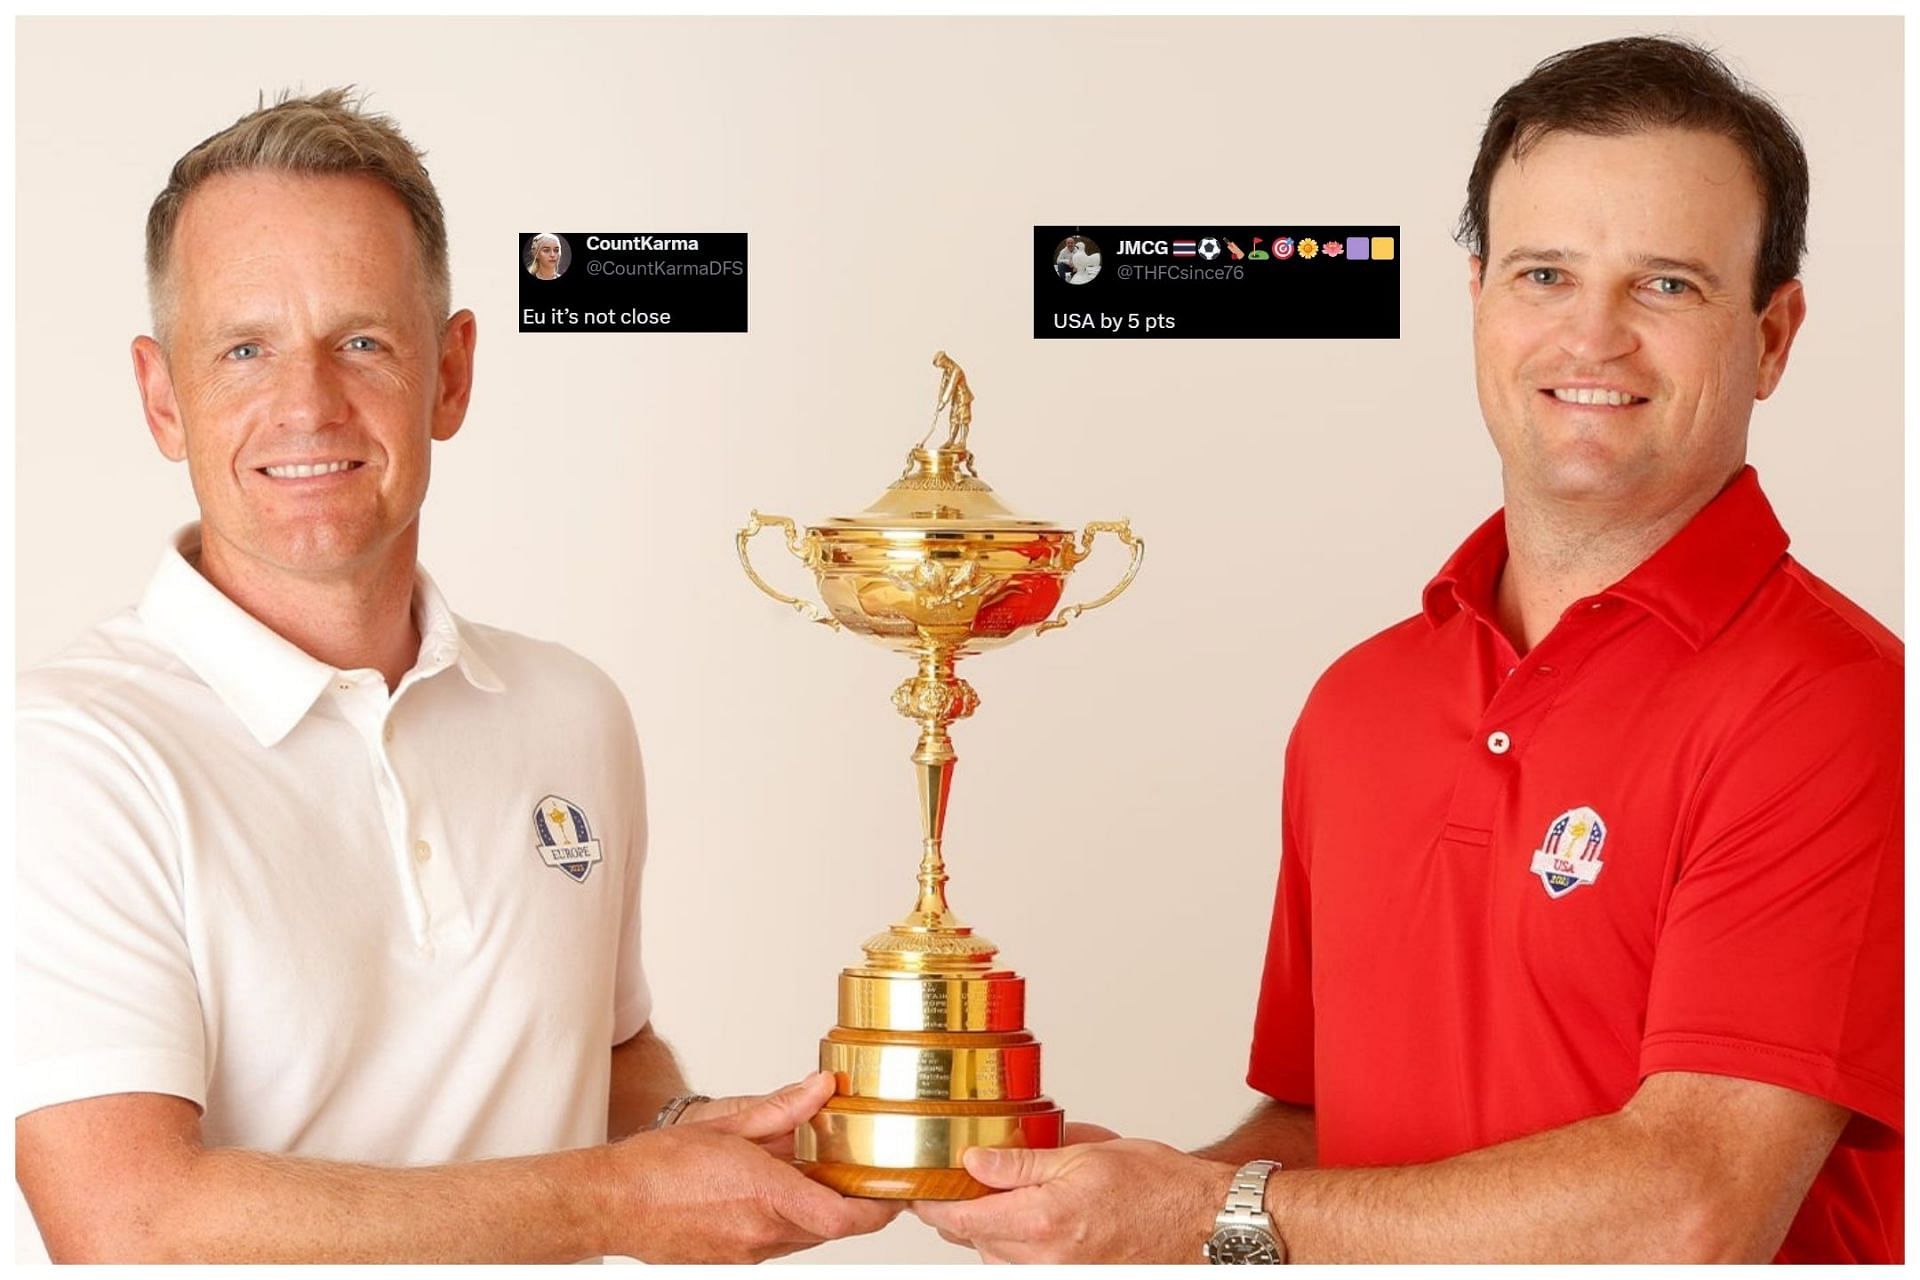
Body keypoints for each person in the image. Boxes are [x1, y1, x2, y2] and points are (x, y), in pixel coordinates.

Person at [915, 36, 1901, 1264]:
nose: (1591, 338)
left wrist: (1202, 1212)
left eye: (1667, 286)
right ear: (1479, 297)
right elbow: (1333, 1133)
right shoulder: (1361, 702)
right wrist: (1126, 1193)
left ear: (1774, 332)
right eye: (1545, 274)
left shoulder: (1839, 702)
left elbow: (1693, 1206)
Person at [14, 89, 895, 1263]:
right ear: (162, 397)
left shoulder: (571, 712)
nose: (308, 404)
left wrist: (698, 1134)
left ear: (452, 373)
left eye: (363, 340)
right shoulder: (67, 750)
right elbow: (126, 1222)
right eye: (244, 348)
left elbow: (608, 1057)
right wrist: (618, 1200)